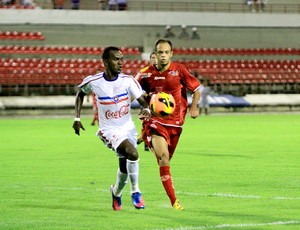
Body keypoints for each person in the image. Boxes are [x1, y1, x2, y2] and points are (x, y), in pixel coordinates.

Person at [72, 46, 151, 211]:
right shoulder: (94, 82)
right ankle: (136, 191)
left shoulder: (128, 80)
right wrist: (77, 118)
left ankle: (116, 192)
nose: (121, 62)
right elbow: (80, 94)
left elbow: (143, 101)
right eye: (116, 59)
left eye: (122, 59)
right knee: (133, 153)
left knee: (124, 165)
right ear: (106, 61)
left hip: (128, 128)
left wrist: (146, 109)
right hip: (109, 130)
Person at [135, 39, 201, 210]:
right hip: (155, 121)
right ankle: (174, 201)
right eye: (160, 52)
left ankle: (144, 137)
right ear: (155, 54)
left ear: (171, 53)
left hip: (176, 124)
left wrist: (194, 108)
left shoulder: (179, 70)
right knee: (163, 158)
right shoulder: (145, 74)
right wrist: (145, 107)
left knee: (166, 160)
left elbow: (196, 90)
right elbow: (133, 91)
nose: (163, 55)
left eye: (166, 52)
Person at [137, 51, 158, 151]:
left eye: (156, 57)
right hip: (147, 102)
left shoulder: (163, 72)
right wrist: (143, 92)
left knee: (155, 123)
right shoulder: (143, 72)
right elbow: (134, 85)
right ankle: (145, 140)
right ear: (150, 59)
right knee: (147, 122)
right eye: (153, 57)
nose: (154, 59)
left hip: (158, 103)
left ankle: (144, 138)